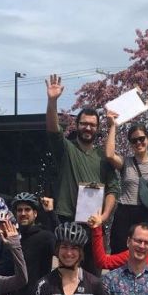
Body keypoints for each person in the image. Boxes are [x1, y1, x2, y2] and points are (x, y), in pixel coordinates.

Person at [45, 74, 117, 273]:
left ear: (97, 128)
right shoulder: (66, 149)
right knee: (67, 270)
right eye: (84, 123)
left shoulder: (103, 157)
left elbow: (113, 189)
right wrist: (52, 101)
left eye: (92, 125)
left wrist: (103, 216)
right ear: (76, 125)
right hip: (67, 219)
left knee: (93, 273)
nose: (88, 128)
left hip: (93, 223)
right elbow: (52, 129)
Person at [103, 110, 148, 252]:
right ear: (130, 144)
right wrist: (112, 127)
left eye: (141, 139)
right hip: (125, 212)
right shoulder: (126, 162)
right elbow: (110, 155)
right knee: (119, 251)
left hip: (147, 213)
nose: (138, 143)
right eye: (134, 140)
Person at [6, 192, 57, 295]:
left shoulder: (45, 236)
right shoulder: (12, 237)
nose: (23, 213)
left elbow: (63, 243)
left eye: (27, 209)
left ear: (35, 213)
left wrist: (50, 212)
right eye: (19, 210)